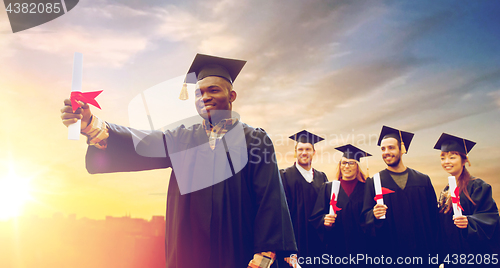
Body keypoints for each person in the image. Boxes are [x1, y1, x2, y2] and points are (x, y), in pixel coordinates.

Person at [60, 54, 297, 268]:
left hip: (238, 251)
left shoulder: (254, 139)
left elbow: (270, 198)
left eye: (213, 90)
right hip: (191, 251)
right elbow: (143, 143)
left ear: (231, 95)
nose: (204, 97)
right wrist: (92, 125)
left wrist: (264, 253)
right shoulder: (184, 138)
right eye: (198, 93)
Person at [361, 125, 439, 258]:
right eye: (383, 149)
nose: (386, 152)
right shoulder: (374, 182)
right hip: (391, 253)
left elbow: (434, 220)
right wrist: (373, 215)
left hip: (422, 252)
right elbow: (364, 217)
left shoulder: (423, 181)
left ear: (402, 149)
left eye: (391, 147)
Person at [434, 133, 500, 254]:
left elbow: (490, 217)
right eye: (443, 158)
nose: (446, 162)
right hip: (453, 255)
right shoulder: (446, 191)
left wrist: (470, 222)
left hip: (474, 254)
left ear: (464, 160)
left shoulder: (478, 186)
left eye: (452, 157)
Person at [310, 144, 372, 256]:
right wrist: (325, 221)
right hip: (336, 248)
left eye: (351, 163)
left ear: (357, 166)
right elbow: (316, 217)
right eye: (343, 163)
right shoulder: (328, 188)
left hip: (363, 247)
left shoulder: (366, 188)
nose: (346, 166)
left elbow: (371, 218)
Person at [279, 130, 327, 266]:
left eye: (308, 149)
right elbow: (280, 215)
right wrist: (286, 251)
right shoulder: (284, 176)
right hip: (295, 244)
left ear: (314, 152)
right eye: (300, 149)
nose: (304, 153)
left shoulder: (322, 177)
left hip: (318, 242)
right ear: (295, 152)